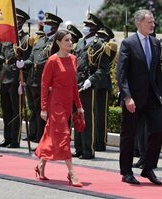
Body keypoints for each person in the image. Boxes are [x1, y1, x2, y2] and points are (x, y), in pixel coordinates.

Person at [117, 9, 162, 185]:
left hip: (152, 97)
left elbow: (157, 72)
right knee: (129, 135)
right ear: (139, 23)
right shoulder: (128, 43)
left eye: (153, 22)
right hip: (133, 98)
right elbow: (121, 73)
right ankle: (126, 171)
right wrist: (127, 97)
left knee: (158, 130)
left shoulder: (156, 43)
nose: (152, 24)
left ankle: (148, 168)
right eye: (149, 22)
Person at [35, 29, 84, 187]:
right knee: (63, 134)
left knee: (52, 135)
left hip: (68, 101)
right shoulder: (52, 61)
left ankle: (41, 165)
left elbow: (74, 85)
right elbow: (44, 85)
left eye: (71, 40)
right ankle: (72, 173)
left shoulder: (74, 59)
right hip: (55, 102)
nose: (70, 43)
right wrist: (43, 108)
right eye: (67, 40)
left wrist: (79, 106)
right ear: (58, 43)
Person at [72, 13, 110, 159]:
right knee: (77, 115)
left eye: (88, 26)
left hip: (88, 85)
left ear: (95, 28)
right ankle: (79, 147)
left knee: (87, 117)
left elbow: (103, 68)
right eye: (85, 25)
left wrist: (92, 80)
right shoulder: (80, 43)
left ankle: (88, 150)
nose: (85, 28)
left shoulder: (99, 45)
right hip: (76, 84)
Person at [24, 12, 63, 143]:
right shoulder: (40, 41)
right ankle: (34, 134)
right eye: (45, 23)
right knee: (33, 110)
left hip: (45, 82)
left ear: (55, 27)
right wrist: (24, 63)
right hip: (32, 81)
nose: (45, 26)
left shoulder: (57, 43)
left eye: (48, 24)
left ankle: (41, 139)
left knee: (42, 112)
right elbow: (31, 58)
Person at [0, 9, 32, 148]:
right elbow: (3, 56)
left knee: (16, 111)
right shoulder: (6, 37)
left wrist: (22, 82)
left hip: (16, 78)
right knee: (6, 111)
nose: (15, 22)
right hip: (4, 77)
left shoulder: (25, 39)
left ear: (22, 22)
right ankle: (6, 138)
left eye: (18, 20)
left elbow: (28, 61)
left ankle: (14, 140)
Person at [94, 26, 117, 151]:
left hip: (103, 84)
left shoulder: (109, 48)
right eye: (98, 35)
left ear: (107, 38)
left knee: (101, 115)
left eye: (103, 36)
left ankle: (101, 141)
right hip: (93, 83)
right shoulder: (94, 46)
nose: (99, 38)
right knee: (92, 114)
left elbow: (110, 56)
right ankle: (93, 139)